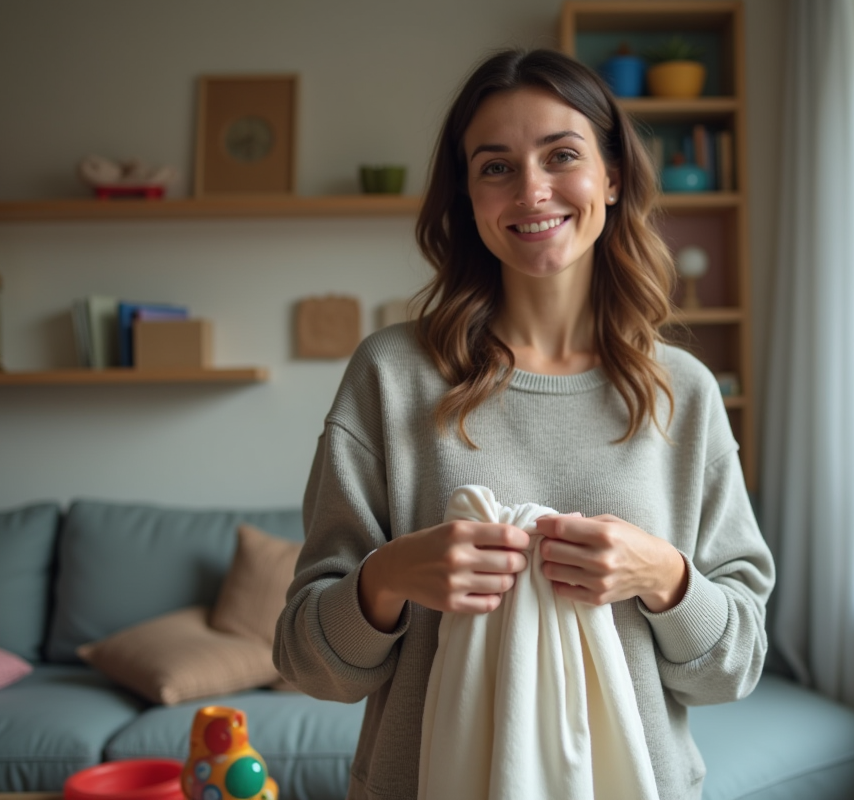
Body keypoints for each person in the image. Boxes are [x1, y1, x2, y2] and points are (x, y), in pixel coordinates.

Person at [274, 47, 775, 800]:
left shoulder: (685, 394)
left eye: (561, 155)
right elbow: (308, 660)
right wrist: (390, 578)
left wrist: (663, 577)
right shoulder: (390, 376)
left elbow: (735, 667)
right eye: (496, 166)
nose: (532, 191)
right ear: (469, 198)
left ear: (610, 175)